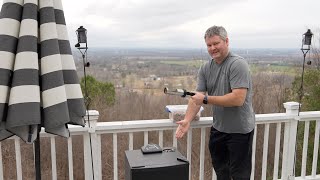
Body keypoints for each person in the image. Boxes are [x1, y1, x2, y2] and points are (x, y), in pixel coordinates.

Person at [175, 25, 255, 180]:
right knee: (221, 172)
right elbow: (196, 98)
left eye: (216, 43)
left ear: (226, 41)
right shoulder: (205, 68)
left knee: (239, 175)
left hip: (240, 131)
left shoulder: (237, 64)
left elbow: (238, 99)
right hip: (219, 129)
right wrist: (187, 120)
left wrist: (206, 99)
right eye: (209, 45)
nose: (212, 48)